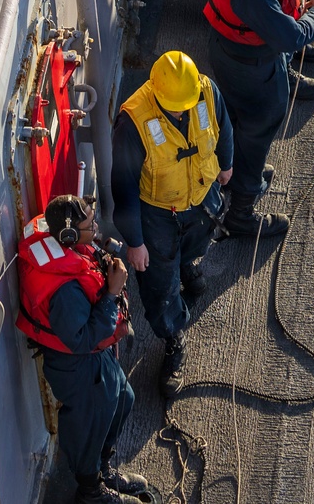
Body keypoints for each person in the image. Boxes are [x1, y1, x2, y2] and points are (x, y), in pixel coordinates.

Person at [198, 0, 314, 246]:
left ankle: (238, 169)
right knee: (257, 131)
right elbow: (288, 36)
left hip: (228, 52)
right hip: (254, 68)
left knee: (236, 117)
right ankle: (240, 213)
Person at [111, 51, 233, 397]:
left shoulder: (204, 90)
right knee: (159, 285)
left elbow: (223, 126)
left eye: (186, 103)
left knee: (198, 243)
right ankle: (173, 337)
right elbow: (123, 186)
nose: (181, 111)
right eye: (174, 106)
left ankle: (187, 267)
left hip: (201, 196)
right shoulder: (133, 122)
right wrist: (135, 241)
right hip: (158, 213)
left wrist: (227, 163)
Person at [16, 196, 150, 503]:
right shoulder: (65, 292)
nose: (97, 226)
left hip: (95, 357)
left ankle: (102, 467)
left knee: (122, 400)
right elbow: (79, 338)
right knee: (89, 426)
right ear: (69, 235)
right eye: (90, 225)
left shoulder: (70, 249)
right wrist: (111, 294)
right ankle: (91, 490)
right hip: (78, 365)